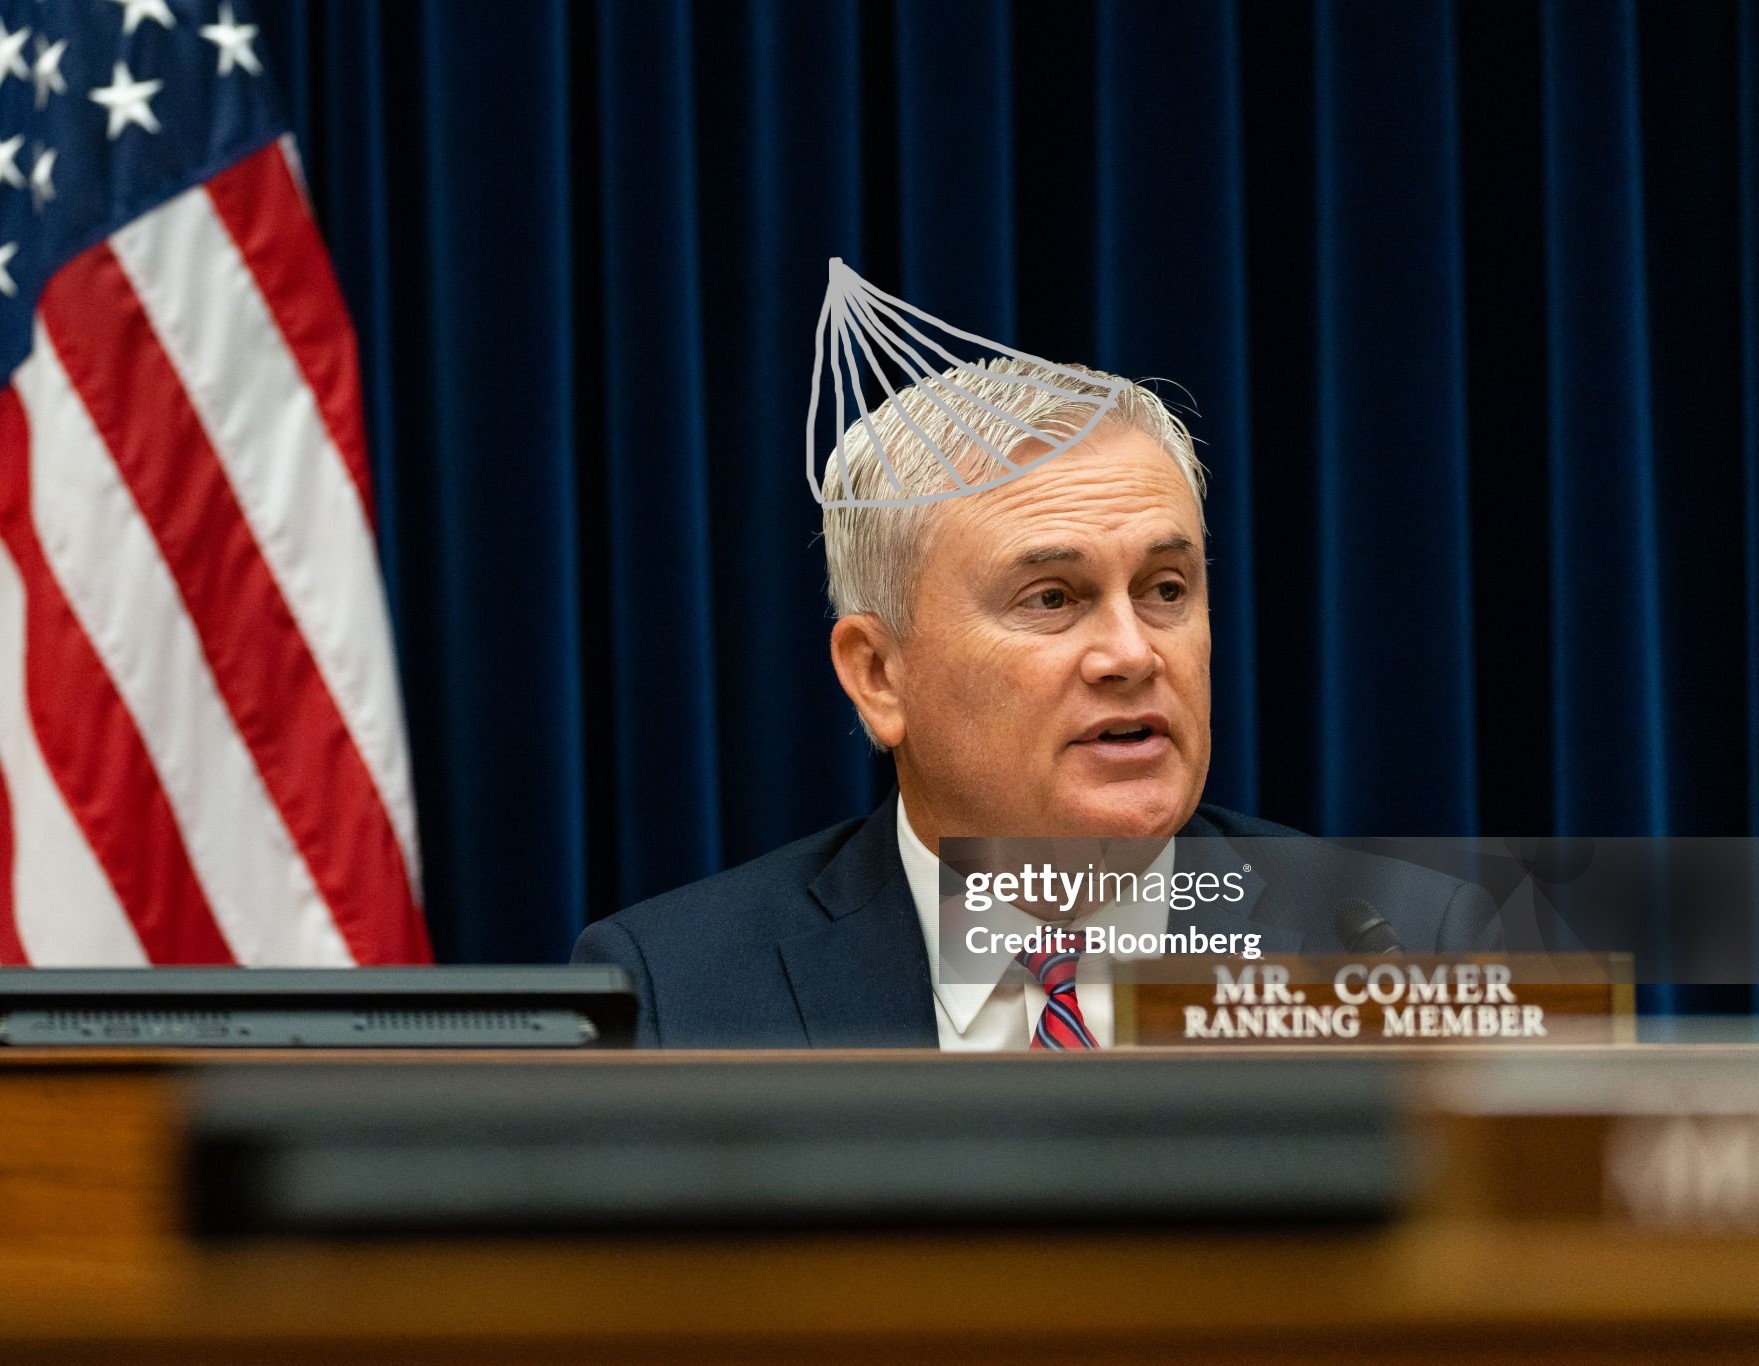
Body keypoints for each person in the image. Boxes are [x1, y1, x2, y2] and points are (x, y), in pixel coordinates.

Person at [573, 359, 1501, 1047]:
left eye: (1165, 589)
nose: (1131, 653)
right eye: (1050, 598)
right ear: (878, 675)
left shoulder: (1412, 951)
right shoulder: (675, 995)